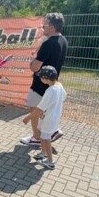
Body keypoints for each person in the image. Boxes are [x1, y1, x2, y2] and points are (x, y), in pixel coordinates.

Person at [20, 13, 68, 146]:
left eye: (44, 25)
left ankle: (37, 137)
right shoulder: (63, 41)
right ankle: (52, 131)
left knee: (35, 109)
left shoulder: (48, 43)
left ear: (52, 27)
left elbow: (34, 67)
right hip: (52, 83)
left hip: (40, 85)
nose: (42, 28)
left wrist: (33, 59)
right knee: (46, 111)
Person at [23, 66, 66, 169]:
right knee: (43, 136)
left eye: (41, 77)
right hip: (50, 117)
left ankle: (50, 161)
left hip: (49, 119)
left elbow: (39, 109)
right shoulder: (59, 86)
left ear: (45, 78)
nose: (40, 79)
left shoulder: (50, 91)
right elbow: (64, 96)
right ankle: (43, 153)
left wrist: (27, 118)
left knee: (46, 139)